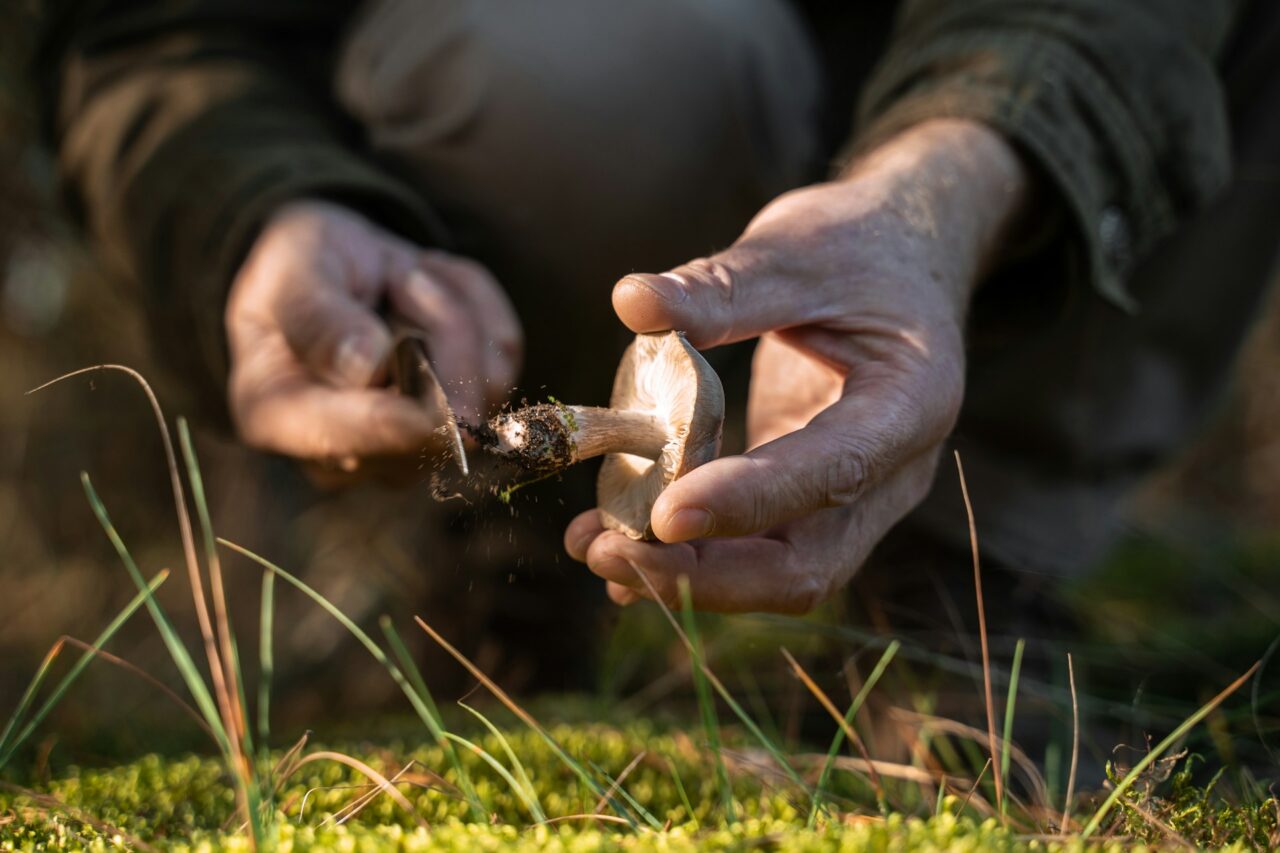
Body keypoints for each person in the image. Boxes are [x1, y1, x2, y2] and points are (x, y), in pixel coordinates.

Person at [36, 0, 1278, 644]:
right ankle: (516, 560)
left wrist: (945, 188)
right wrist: (255, 204)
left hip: (959, 114)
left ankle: (969, 570)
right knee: (576, 57)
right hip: (668, 78)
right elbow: (150, 30)